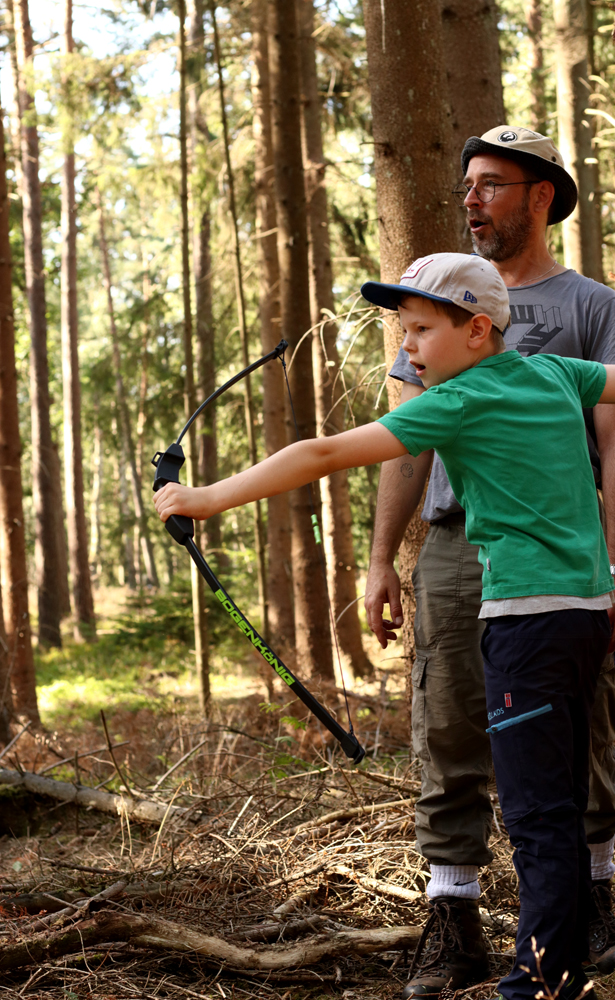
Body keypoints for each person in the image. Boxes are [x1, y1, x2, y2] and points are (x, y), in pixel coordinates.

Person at [155, 251, 614, 1000]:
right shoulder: (559, 374)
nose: (406, 348)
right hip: (582, 619)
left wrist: (203, 498)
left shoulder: (458, 400)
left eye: (421, 330)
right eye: (404, 330)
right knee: (557, 799)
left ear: (476, 330)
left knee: (534, 813)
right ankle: (554, 971)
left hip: (524, 624)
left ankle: (535, 986)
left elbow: (324, 451)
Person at [364, 127, 615, 998]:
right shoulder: (427, 297)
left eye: (491, 185)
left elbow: (612, 445)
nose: (471, 199)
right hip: (452, 543)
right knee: (450, 718)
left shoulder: (591, 305)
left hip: (556, 556)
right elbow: (401, 442)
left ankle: (591, 906)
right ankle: (453, 914)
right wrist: (382, 558)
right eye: (466, 184)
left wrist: (614, 559)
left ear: (540, 196)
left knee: (576, 726)